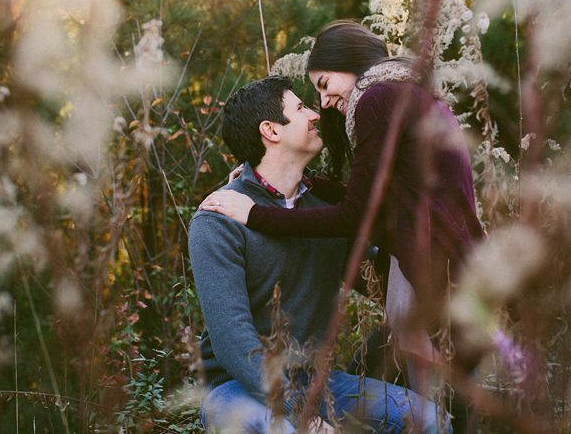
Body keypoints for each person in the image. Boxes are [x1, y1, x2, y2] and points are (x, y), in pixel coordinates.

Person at [200, 21, 485, 377]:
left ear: (351, 63)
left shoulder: (377, 99)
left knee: (440, 402)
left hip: (433, 271)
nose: (323, 103)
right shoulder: (405, 94)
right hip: (452, 265)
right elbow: (372, 198)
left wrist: (256, 214)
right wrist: (304, 182)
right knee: (440, 396)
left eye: (324, 85)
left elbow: (354, 215)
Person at [189, 75, 448, 433]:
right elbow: (234, 342)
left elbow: (377, 278)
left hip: (317, 380)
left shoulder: (326, 210)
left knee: (432, 421)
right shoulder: (219, 218)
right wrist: (300, 413)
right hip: (239, 387)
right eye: (300, 108)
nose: (315, 114)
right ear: (271, 130)